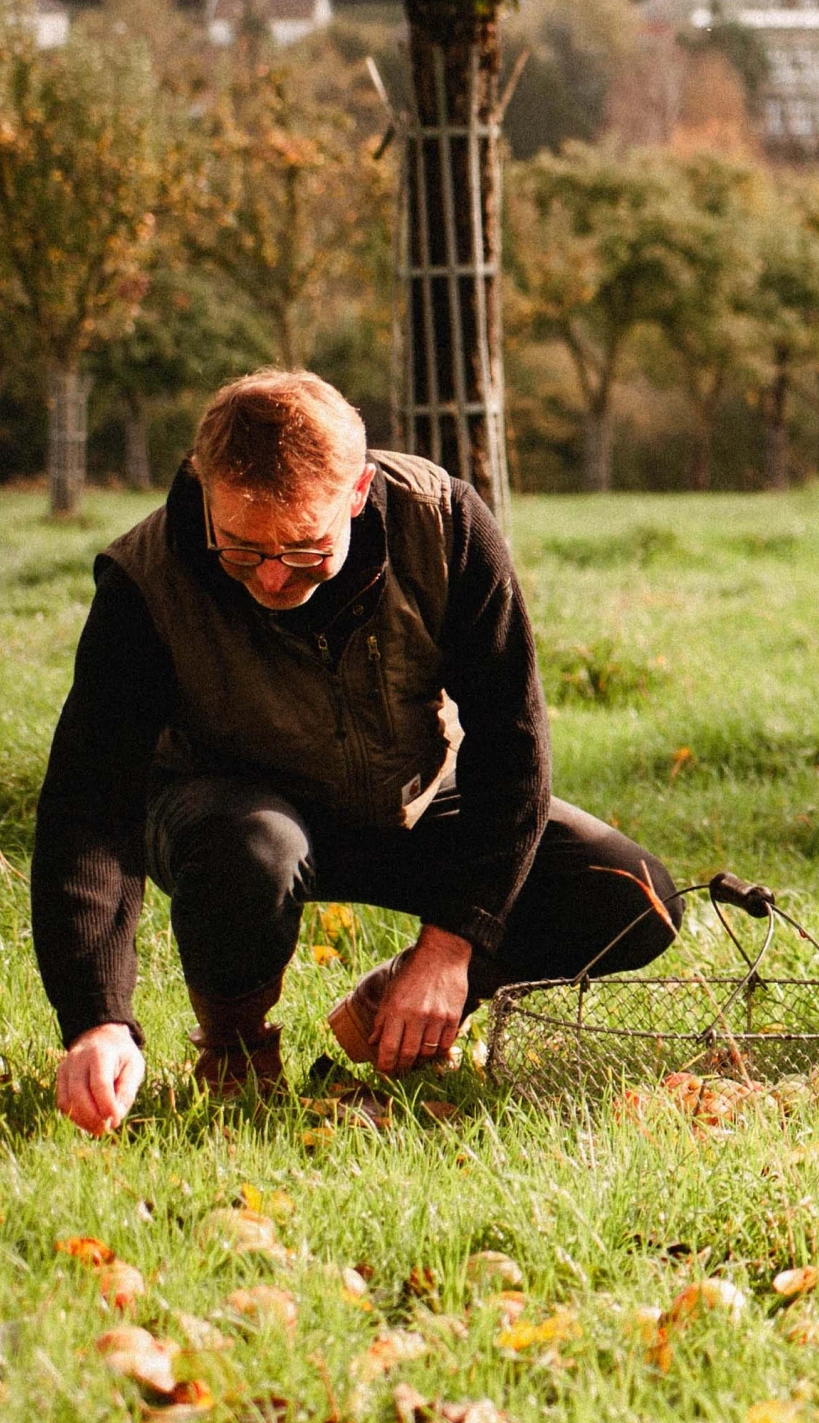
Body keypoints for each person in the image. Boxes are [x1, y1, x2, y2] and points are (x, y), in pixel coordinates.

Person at [36, 371, 680, 1136]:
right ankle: (237, 1053)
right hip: (232, 818)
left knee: (635, 895)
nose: (272, 575)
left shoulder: (444, 524)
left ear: (357, 491)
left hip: (411, 797)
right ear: (205, 489)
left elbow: (513, 746)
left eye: (304, 547)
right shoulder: (145, 581)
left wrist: (452, 947)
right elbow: (89, 807)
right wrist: (97, 1018)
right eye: (241, 547)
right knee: (252, 847)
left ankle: (396, 1006)